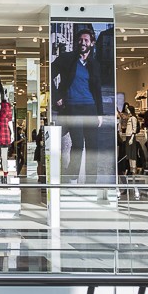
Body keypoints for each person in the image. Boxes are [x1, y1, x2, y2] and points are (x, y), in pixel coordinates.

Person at [50, 26, 106, 182]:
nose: (83, 42)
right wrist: (57, 96)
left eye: (86, 40)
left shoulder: (94, 64)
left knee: (93, 146)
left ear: (92, 43)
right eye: (80, 40)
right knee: (78, 144)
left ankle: (91, 182)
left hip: (90, 108)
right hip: (72, 107)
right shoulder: (66, 59)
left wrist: (100, 113)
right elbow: (49, 74)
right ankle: (72, 175)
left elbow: (97, 89)